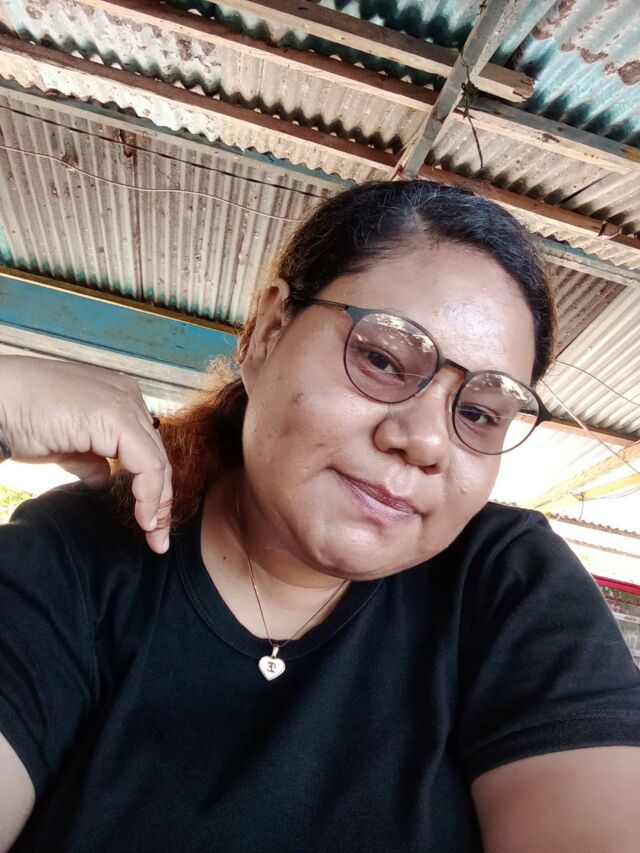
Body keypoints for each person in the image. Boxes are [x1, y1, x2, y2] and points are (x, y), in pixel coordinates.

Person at [0, 180, 639, 853]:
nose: (426, 441)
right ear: (268, 331)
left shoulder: (502, 582)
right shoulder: (75, 558)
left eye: (480, 413)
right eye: (383, 359)